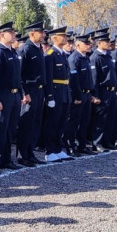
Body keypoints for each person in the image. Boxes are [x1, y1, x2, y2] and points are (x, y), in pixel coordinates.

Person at [0, 22, 24, 172]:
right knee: (0, 129)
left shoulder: (12, 52)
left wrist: (20, 94)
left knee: (10, 129)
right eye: (11, 32)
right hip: (2, 95)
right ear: (2, 35)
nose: (14, 34)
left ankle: (6, 159)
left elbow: (17, 76)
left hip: (14, 95)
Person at [16, 21, 47, 165]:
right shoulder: (25, 49)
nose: (44, 35)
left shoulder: (38, 48)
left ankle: (30, 152)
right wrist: (24, 93)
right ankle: (23, 155)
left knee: (35, 123)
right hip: (30, 90)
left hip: (39, 90)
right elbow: (20, 74)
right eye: (41, 32)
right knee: (26, 123)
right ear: (32, 33)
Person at [43, 27, 72, 162]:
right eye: (62, 36)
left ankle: (58, 148)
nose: (65, 38)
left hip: (64, 91)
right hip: (55, 92)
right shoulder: (50, 54)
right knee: (52, 123)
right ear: (54, 38)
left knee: (62, 122)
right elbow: (48, 78)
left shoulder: (62, 54)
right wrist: (49, 96)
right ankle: (50, 151)